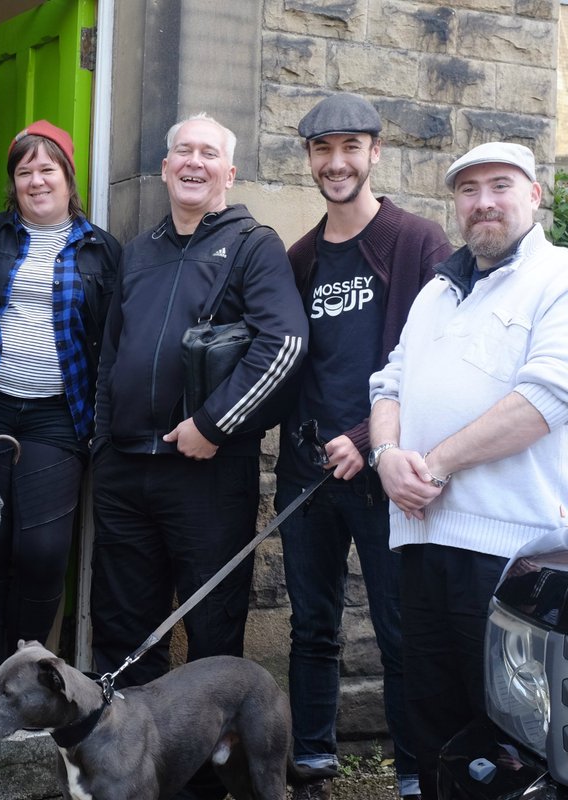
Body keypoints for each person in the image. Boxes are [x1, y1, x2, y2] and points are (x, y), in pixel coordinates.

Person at [369, 141, 568, 798]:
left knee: (512, 746)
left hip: (513, 559)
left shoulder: (559, 276)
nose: (484, 202)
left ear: (534, 195)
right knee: (434, 728)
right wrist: (385, 457)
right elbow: (388, 383)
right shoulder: (436, 291)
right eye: (468, 189)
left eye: (500, 186)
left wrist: (432, 464)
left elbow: (547, 398)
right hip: (423, 542)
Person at [90, 113, 308, 687]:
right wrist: (103, 445)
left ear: (229, 173)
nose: (194, 162)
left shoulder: (255, 246)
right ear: (165, 168)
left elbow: (284, 344)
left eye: (209, 153)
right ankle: (123, 743)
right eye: (183, 151)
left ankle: (207, 751)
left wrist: (212, 425)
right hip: (124, 469)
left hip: (208, 474)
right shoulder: (138, 252)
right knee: (122, 629)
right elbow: (111, 356)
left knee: (212, 631)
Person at [277, 93, 451, 800]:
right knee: (312, 628)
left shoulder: (416, 242)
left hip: (386, 470)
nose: (337, 162)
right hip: (307, 472)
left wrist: (362, 440)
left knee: (401, 630)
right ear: (310, 159)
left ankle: (414, 773)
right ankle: (313, 761)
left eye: (351, 147)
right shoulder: (300, 258)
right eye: (323, 149)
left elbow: (436, 358)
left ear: (375, 153)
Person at [0, 120, 120, 672]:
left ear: (69, 177)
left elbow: (114, 340)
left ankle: (26, 668)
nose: (36, 181)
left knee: (41, 552)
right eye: (25, 172)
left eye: (47, 169)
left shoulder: (102, 250)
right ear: (13, 182)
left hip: (58, 417)